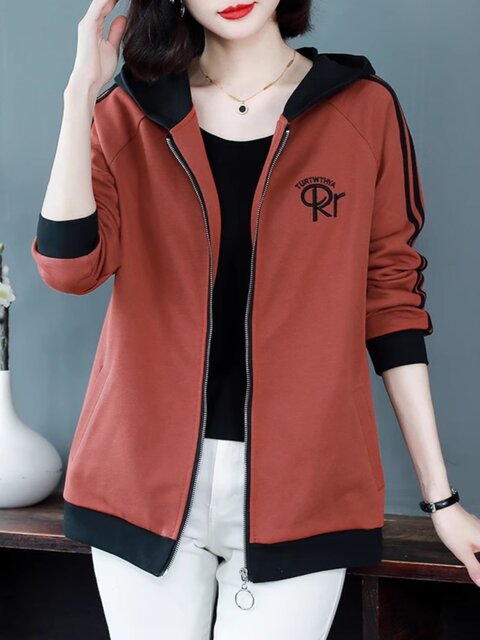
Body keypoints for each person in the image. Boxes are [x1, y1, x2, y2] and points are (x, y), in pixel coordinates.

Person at [31, 0, 480, 638]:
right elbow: (68, 268)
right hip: (137, 483)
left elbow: (391, 303)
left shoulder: (362, 109)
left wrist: (442, 501)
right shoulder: (129, 110)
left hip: (304, 488)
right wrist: (80, 96)